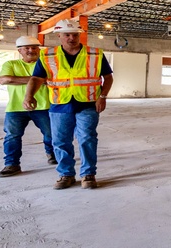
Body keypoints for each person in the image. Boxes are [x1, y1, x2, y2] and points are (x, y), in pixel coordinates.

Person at [24, 18, 113, 190]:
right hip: (60, 104)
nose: (71, 38)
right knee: (60, 141)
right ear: (59, 35)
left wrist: (103, 96)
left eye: (74, 34)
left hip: (88, 103)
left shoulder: (95, 54)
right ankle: (66, 174)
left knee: (87, 138)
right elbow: (37, 78)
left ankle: (88, 174)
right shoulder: (48, 55)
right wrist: (29, 96)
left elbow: (108, 77)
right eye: (67, 35)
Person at [0, 35, 55, 177]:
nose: (31, 50)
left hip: (43, 106)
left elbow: (50, 80)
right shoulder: (11, 64)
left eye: (34, 47)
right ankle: (12, 164)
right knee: (12, 136)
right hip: (16, 108)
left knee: (51, 133)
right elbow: (4, 79)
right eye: (26, 48)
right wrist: (38, 80)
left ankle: (52, 154)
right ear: (19, 51)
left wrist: (15, 80)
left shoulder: (45, 64)